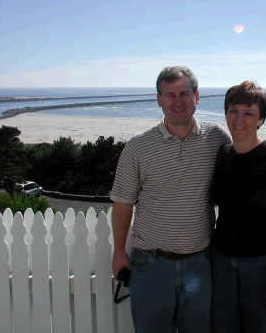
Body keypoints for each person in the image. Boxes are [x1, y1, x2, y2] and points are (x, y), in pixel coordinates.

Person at [110, 66, 232, 333]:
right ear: (159, 100)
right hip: (150, 266)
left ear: (197, 96)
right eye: (170, 95)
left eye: (184, 94)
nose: (178, 102)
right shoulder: (137, 147)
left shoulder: (218, 138)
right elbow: (122, 203)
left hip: (201, 265)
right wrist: (119, 251)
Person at [211, 80, 266, 333]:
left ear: (260, 120)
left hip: (263, 268)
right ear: (226, 114)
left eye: (249, 113)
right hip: (222, 264)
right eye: (233, 111)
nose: (240, 119)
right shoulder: (223, 155)